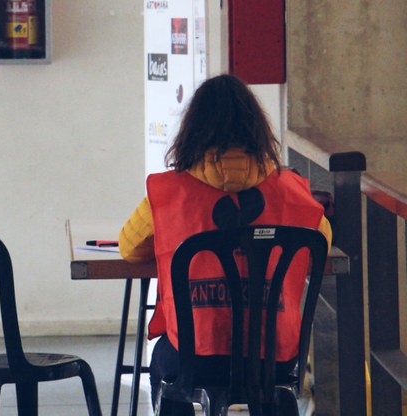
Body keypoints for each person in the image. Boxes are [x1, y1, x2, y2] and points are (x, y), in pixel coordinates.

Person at [118, 74, 332, 415]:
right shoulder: (291, 191)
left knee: (163, 361)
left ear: (193, 131)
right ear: (257, 131)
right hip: (274, 358)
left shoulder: (170, 193)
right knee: (266, 377)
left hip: (195, 358)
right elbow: (320, 243)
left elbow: (129, 249)